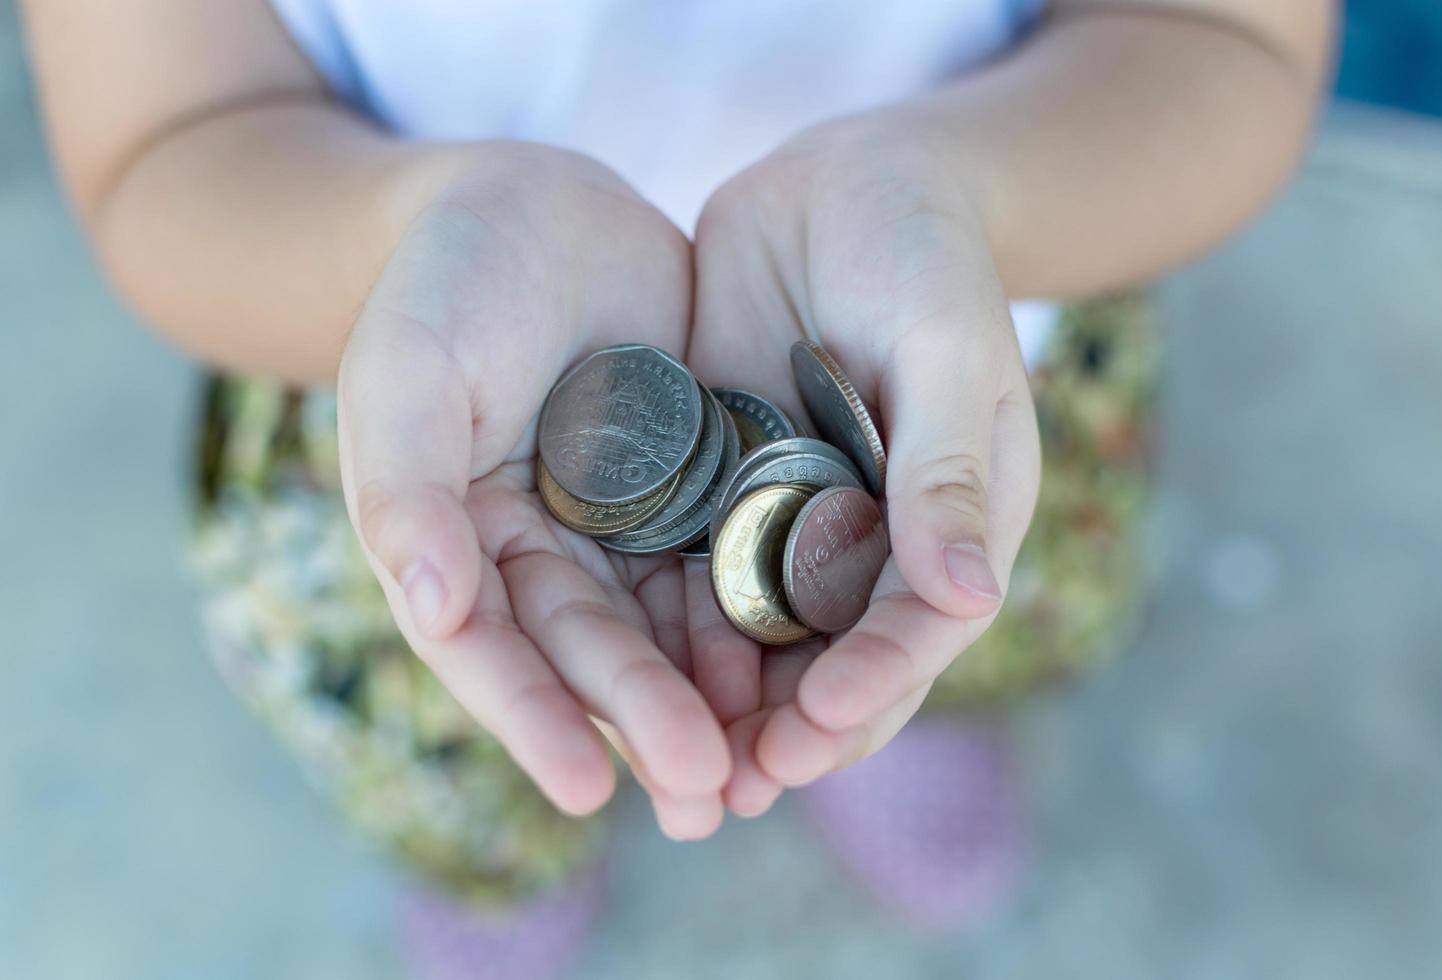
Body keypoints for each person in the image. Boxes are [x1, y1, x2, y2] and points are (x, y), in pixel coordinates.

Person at [24, 0, 1333, 975]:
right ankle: (494, 864)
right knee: (454, 725)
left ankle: (911, 714)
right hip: (396, 372)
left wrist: (951, 191)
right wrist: (414, 231)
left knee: (948, 590)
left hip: (961, 330)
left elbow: (1221, 38)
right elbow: (163, 147)